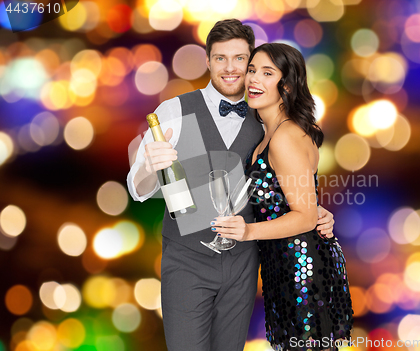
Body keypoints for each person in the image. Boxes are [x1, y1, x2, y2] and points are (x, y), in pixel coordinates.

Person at [127, 19, 335, 351]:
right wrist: (150, 166)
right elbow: (138, 190)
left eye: (240, 59)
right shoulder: (174, 111)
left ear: (251, 64)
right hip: (186, 262)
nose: (230, 68)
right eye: (220, 58)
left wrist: (311, 209)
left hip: (244, 265)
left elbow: (277, 181)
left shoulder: (265, 116)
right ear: (207, 61)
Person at [211, 43, 353, 351]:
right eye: (252, 71)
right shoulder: (270, 135)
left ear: (286, 85)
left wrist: (247, 231)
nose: (253, 80)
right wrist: (317, 211)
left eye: (266, 73)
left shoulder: (285, 136)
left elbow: (303, 215)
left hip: (301, 271)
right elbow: (296, 202)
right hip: (282, 268)